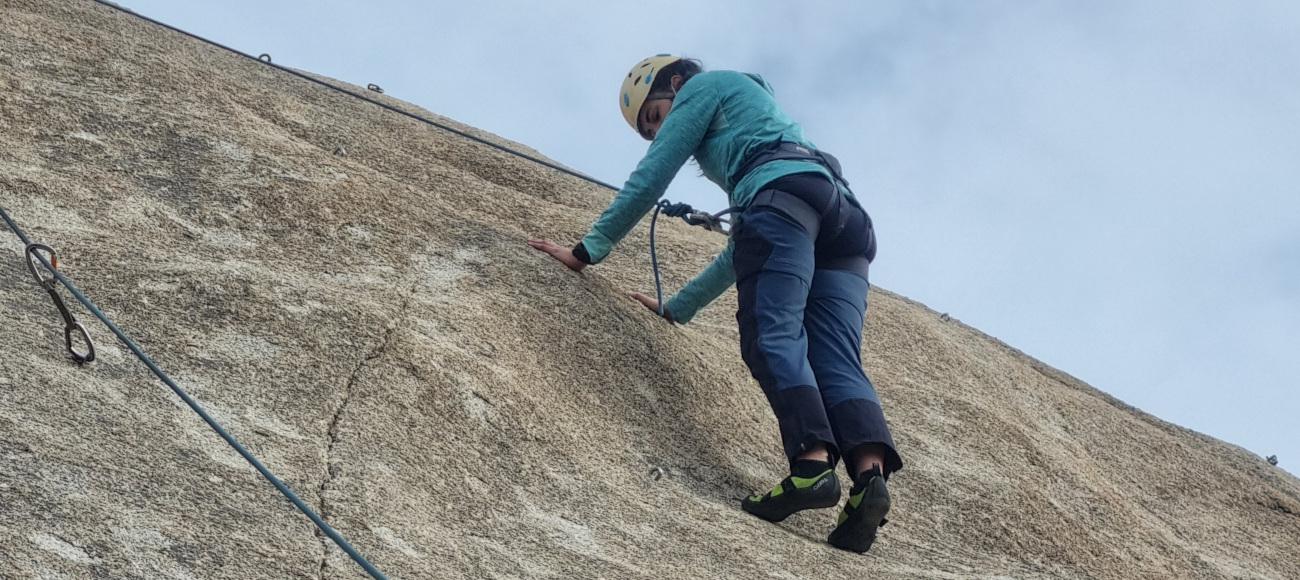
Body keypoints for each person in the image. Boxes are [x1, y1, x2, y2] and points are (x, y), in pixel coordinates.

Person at [528, 55, 902, 553]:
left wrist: (585, 251)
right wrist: (677, 308)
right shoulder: (757, 121)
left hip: (783, 198)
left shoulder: (704, 89)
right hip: (845, 218)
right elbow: (743, 247)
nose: (661, 132)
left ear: (676, 84)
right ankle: (868, 483)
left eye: (657, 116)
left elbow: (653, 176)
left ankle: (812, 465)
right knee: (835, 356)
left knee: (773, 334)